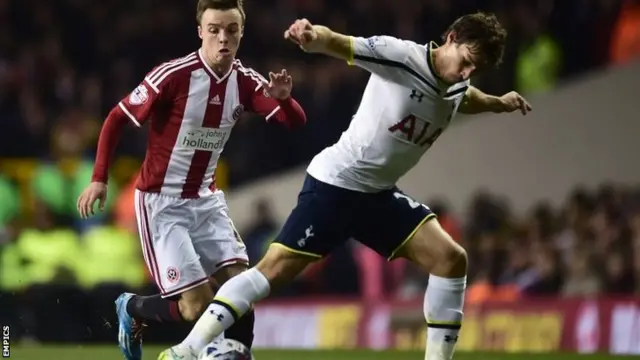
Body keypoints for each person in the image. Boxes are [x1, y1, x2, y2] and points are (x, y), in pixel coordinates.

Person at [160, 12, 532, 360]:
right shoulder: (401, 57)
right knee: (270, 272)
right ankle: (185, 351)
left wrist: (499, 103)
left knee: (452, 260)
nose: (466, 71)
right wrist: (311, 35)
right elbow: (343, 44)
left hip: (378, 196)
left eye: (475, 68)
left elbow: (464, 98)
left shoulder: (458, 83)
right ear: (450, 38)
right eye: (465, 60)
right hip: (336, 186)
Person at [75, 0, 306, 359]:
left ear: (241, 33)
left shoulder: (244, 81)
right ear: (200, 32)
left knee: (242, 287)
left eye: (231, 30)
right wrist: (99, 178)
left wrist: (286, 100)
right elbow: (117, 118)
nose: (223, 38)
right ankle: (132, 307)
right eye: (214, 30)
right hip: (161, 204)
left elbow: (294, 122)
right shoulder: (173, 75)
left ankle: (236, 354)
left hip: (205, 199)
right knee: (194, 306)